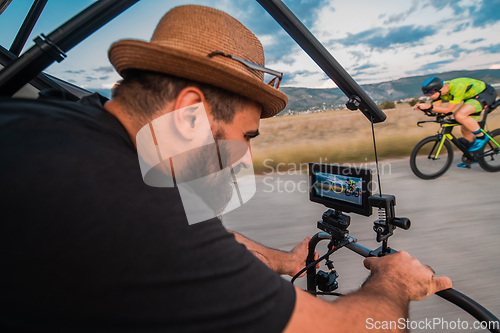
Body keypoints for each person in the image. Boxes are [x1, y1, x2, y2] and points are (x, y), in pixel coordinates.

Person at [0, 5, 452, 333]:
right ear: (190, 114)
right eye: (247, 136)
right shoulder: (125, 209)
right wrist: (394, 282)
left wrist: (286, 262)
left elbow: (201, 239)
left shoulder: (71, 123)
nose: (246, 158)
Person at [415, 76, 497, 167]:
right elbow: (437, 109)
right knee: (465, 129)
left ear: (437, 89)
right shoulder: (438, 92)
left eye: (430, 93)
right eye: (427, 94)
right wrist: (424, 109)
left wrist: (429, 106)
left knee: (459, 115)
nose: (429, 96)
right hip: (471, 98)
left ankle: (481, 137)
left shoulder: (456, 87)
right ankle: (472, 157)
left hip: (485, 93)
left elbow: (448, 110)